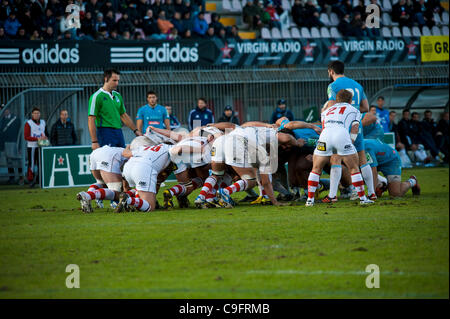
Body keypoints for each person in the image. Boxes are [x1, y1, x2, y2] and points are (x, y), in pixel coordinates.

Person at [306, 89, 373, 206]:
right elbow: (355, 128)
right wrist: (350, 143)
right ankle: (363, 198)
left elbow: (323, 127)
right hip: (341, 135)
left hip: (325, 136)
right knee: (354, 168)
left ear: (336, 100)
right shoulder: (354, 110)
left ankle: (310, 200)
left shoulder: (326, 111)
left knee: (316, 169)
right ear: (350, 100)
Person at [326, 60, 375, 200]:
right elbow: (365, 107)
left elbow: (331, 106)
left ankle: (332, 195)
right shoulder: (357, 85)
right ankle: (371, 193)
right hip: (356, 124)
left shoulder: (333, 86)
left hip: (340, 127)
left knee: (335, 158)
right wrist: (351, 110)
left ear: (331, 71)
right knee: (362, 159)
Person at [88, 69, 142, 150]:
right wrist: (94, 141)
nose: (117, 83)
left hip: (118, 132)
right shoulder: (97, 96)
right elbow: (91, 119)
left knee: (122, 158)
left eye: (118, 80)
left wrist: (135, 130)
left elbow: (123, 115)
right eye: (114, 80)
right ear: (106, 79)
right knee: (107, 160)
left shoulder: (118, 95)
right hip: (105, 132)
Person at [24, 107, 48, 188]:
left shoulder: (43, 122)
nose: (36, 115)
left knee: (41, 163)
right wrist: (37, 138)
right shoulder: (29, 123)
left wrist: (45, 138)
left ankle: (40, 179)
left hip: (41, 146)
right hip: (32, 147)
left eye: (38, 113)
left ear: (40, 114)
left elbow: (46, 133)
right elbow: (26, 137)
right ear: (32, 114)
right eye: (35, 113)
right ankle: (30, 180)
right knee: (32, 163)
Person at [0, 108, 22, 184]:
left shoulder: (16, 119)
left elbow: (20, 133)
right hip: (6, 143)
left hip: (15, 143)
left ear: (9, 110)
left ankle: (20, 177)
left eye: (6, 109)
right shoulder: (2, 120)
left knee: (17, 161)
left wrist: (19, 146)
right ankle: (11, 178)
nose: (5, 111)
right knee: (8, 162)